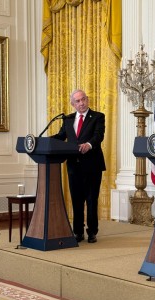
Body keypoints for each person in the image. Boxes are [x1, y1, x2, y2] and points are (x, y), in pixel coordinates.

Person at [52, 89, 105, 243]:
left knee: (91, 199)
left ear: (87, 100)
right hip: (74, 165)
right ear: (73, 104)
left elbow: (98, 135)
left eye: (83, 99)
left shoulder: (97, 117)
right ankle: (78, 232)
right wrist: (43, 140)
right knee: (76, 200)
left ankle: (92, 231)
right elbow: (61, 136)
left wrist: (89, 144)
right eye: (78, 101)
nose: (81, 103)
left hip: (92, 165)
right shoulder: (68, 120)